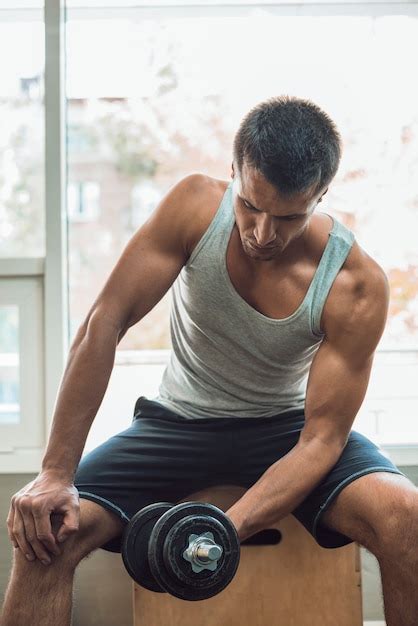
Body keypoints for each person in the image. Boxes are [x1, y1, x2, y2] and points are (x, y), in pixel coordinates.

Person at [1, 95, 417, 626]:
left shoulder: (354, 283)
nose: (262, 233)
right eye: (250, 205)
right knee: (47, 532)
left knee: (406, 517)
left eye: (288, 216)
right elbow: (104, 322)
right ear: (234, 172)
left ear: (320, 196)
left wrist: (226, 527)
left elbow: (322, 439)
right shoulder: (195, 207)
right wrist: (55, 471)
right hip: (176, 424)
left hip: (288, 432)